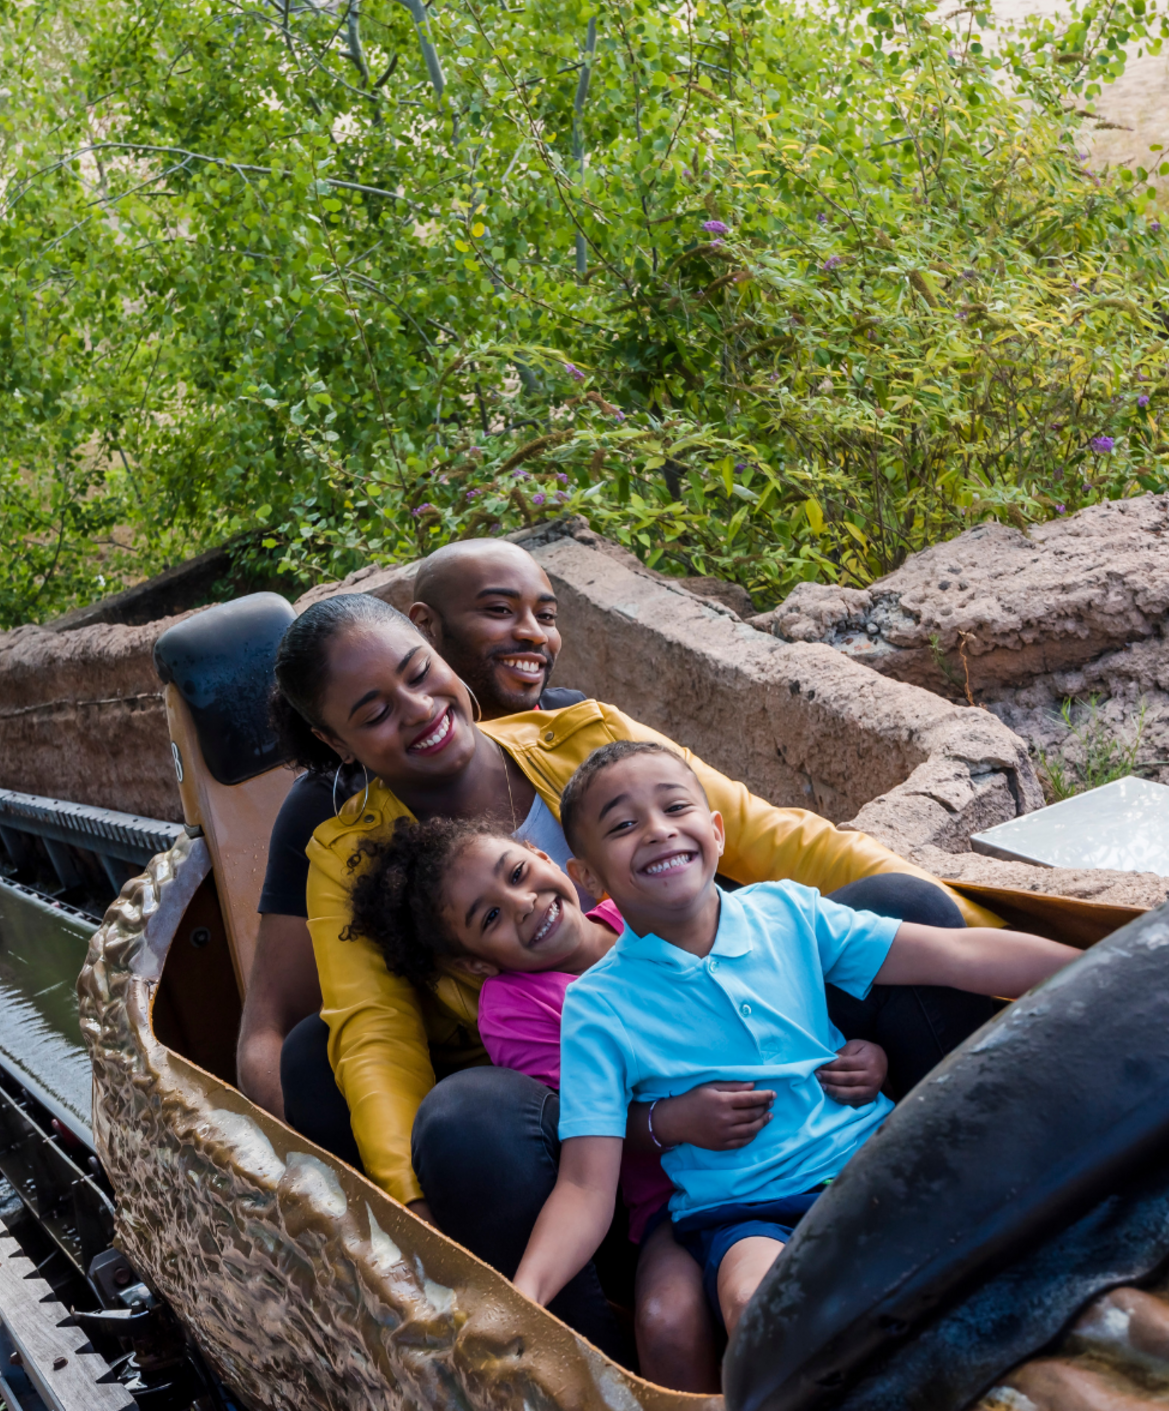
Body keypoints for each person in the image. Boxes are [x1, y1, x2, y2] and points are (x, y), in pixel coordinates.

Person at [267, 591, 1000, 1347]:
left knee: (903, 904)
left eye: (420, 675)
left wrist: (989, 931)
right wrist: (418, 1222)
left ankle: (1001, 1174)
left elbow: (774, 839)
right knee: (455, 1117)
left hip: (733, 1051)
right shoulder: (350, 858)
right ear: (336, 739)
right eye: (376, 713)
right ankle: (574, 1362)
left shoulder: (585, 737)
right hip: (570, 1122)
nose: (419, 709)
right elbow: (375, 1039)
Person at [512, 742, 1082, 1335]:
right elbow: (583, 1186)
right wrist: (523, 1296)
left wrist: (1118, 959)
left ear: (716, 831)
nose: (658, 831)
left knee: (1019, 1204)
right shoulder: (597, 1006)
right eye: (624, 825)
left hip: (875, 1157)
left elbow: (957, 955)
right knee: (759, 1304)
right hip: (748, 1215)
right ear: (587, 878)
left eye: (675, 808)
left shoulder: (785, 912)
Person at [344, 818, 891, 1390]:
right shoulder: (518, 1006)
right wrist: (672, 1120)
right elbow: (586, 1123)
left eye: (519, 873)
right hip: (672, 1196)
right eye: (491, 917)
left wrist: (863, 1054)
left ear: (546, 857)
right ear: (475, 963)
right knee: (667, 1322)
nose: (525, 904)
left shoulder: (641, 911)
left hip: (804, 1144)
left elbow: (772, 993)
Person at [235, 538, 583, 1115]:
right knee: (317, 1054)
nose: (529, 635)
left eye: (545, 616)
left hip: (643, 1018)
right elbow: (308, 1029)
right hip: (506, 1096)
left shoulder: (572, 730)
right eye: (497, 612)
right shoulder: (334, 823)